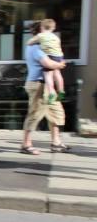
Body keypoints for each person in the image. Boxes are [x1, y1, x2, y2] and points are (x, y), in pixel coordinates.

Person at [21, 21, 70, 155]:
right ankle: (26, 145)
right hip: (38, 85)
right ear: (41, 33)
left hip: (47, 86)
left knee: (56, 112)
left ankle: (56, 143)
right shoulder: (36, 48)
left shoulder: (42, 46)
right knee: (35, 114)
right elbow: (47, 63)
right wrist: (60, 65)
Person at [27, 19, 65, 104]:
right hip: (59, 55)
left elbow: (47, 64)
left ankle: (51, 92)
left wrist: (58, 65)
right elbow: (58, 47)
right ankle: (61, 90)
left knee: (48, 75)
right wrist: (60, 63)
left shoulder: (37, 44)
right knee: (57, 74)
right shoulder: (55, 37)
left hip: (39, 84)